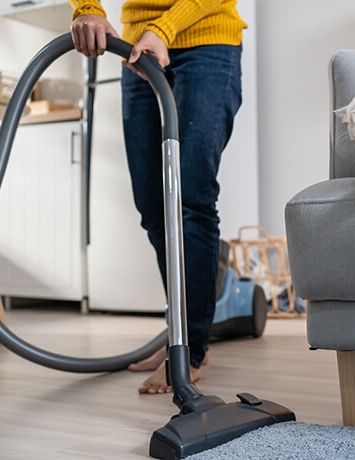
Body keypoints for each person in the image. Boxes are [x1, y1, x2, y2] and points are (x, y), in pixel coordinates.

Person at [68, 0, 246, 394]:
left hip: (206, 41)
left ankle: (189, 352)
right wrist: (86, 8)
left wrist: (165, 28)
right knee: (153, 205)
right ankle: (180, 340)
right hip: (136, 47)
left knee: (190, 198)